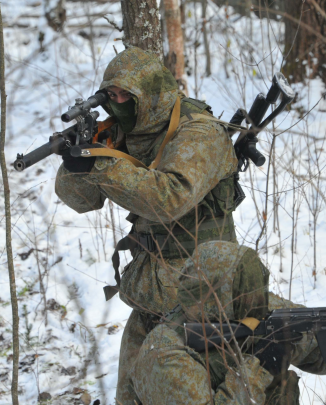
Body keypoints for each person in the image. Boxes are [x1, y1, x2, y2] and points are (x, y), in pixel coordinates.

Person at [55, 46, 240, 403]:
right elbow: (81, 201)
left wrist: (103, 165)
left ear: (153, 92)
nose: (120, 102)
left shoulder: (199, 132)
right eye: (113, 95)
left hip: (200, 302)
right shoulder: (126, 131)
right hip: (149, 298)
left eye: (129, 95)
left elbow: (170, 198)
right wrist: (77, 161)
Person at [131, 241, 326, 405]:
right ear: (217, 298)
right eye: (244, 300)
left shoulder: (261, 310)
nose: (257, 309)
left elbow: (323, 351)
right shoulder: (164, 356)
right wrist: (261, 366)